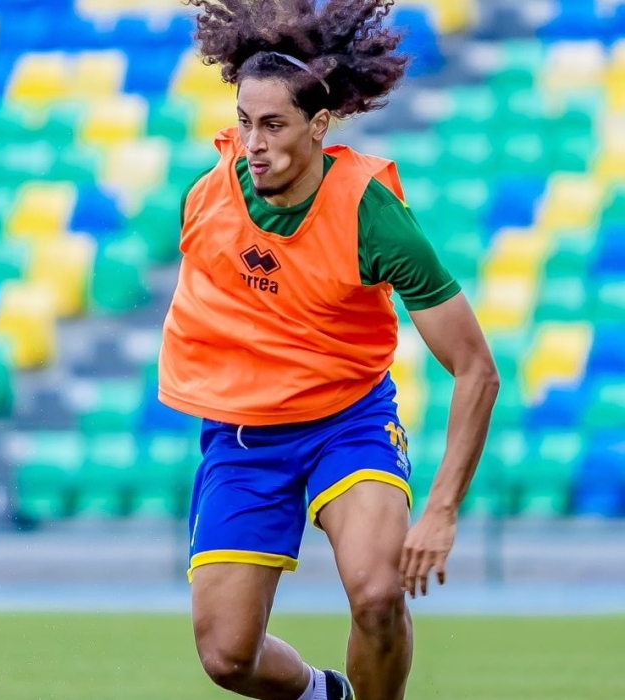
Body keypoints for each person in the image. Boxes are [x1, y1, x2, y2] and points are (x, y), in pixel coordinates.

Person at [160, 1, 500, 699]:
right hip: (244, 434)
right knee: (228, 659)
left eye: (274, 124)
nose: (254, 142)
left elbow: (476, 369)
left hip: (348, 421)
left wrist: (442, 508)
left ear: (318, 126)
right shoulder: (206, 201)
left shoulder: (372, 214)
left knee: (378, 594)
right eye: (245, 121)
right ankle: (327, 693)